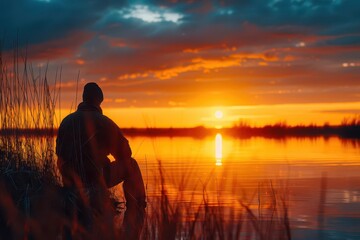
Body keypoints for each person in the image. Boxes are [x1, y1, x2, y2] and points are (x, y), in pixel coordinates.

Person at [56, 82, 146, 239]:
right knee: (131, 165)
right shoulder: (103, 122)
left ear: (83, 98)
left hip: (70, 180)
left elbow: (60, 156)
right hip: (96, 179)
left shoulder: (66, 121)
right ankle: (137, 211)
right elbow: (126, 154)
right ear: (99, 101)